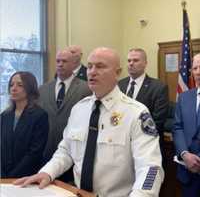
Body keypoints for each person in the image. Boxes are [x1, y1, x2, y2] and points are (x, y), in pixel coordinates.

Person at [14, 47, 164, 197]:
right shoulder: (79, 109)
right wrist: (47, 172)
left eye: (100, 66)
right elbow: (65, 151)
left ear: (117, 73)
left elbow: (150, 168)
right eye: (90, 66)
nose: (92, 71)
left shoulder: (136, 113)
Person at [38, 49, 91, 181]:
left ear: (74, 64)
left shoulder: (86, 88)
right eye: (58, 61)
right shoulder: (44, 89)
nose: (60, 64)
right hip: (46, 152)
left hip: (74, 154)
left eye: (64, 61)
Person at [118, 48, 169, 153]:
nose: (131, 63)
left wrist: (132, 136)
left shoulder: (159, 87)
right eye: (129, 61)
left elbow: (157, 121)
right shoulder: (119, 85)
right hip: (120, 144)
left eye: (135, 60)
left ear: (145, 63)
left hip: (146, 145)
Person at [0, 71, 49, 178]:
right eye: (11, 85)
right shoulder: (5, 115)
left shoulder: (40, 116)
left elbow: (35, 153)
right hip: (4, 177)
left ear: (30, 88)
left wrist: (13, 175)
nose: (14, 88)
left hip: (28, 177)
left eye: (20, 85)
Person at [172, 53, 200, 197]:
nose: (198, 72)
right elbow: (177, 127)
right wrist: (184, 154)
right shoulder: (184, 97)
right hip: (187, 171)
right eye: (195, 68)